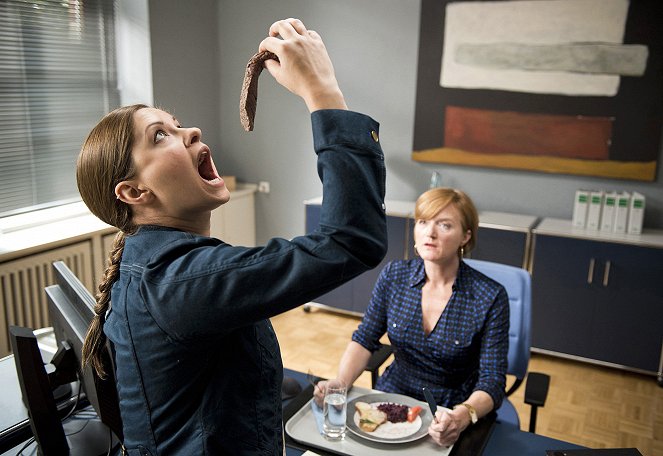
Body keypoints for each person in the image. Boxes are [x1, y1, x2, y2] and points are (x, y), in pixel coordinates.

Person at [77, 18, 387, 455]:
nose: (193, 132)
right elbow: (351, 241)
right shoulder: (180, 283)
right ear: (134, 192)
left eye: (176, 123)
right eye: (160, 135)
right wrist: (322, 91)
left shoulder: (155, 266)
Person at [314, 187, 509, 447]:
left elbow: (492, 382)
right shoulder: (394, 276)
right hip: (393, 395)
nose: (430, 233)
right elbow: (364, 339)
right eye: (423, 222)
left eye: (445, 225)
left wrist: (462, 416)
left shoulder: (490, 297)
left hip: (452, 408)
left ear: (465, 236)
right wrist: (341, 383)